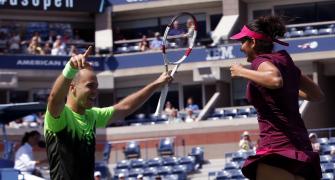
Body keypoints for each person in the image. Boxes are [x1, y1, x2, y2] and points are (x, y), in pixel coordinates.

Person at [44, 46, 172, 180]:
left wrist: (157, 84)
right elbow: (54, 98)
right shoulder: (60, 117)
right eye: (90, 86)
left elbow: (125, 107)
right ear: (72, 88)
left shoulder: (92, 115)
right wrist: (70, 68)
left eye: (96, 87)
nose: (95, 92)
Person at [229, 16, 324, 180]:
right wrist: (290, 89)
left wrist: (241, 71)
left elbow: (274, 80)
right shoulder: (284, 61)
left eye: (242, 42)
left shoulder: (260, 61)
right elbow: (317, 95)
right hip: (300, 149)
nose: (241, 47)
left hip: (277, 149)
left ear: (252, 42)